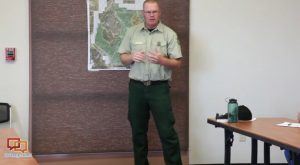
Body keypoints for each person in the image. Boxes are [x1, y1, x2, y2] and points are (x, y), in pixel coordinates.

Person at [117, 0, 183, 164]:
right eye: (148, 12)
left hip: (159, 89)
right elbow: (122, 58)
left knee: (167, 132)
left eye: (154, 12)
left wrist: (162, 60)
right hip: (137, 88)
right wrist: (131, 57)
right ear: (143, 13)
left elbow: (177, 63)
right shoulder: (132, 32)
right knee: (138, 132)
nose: (151, 15)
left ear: (160, 13)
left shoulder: (169, 34)